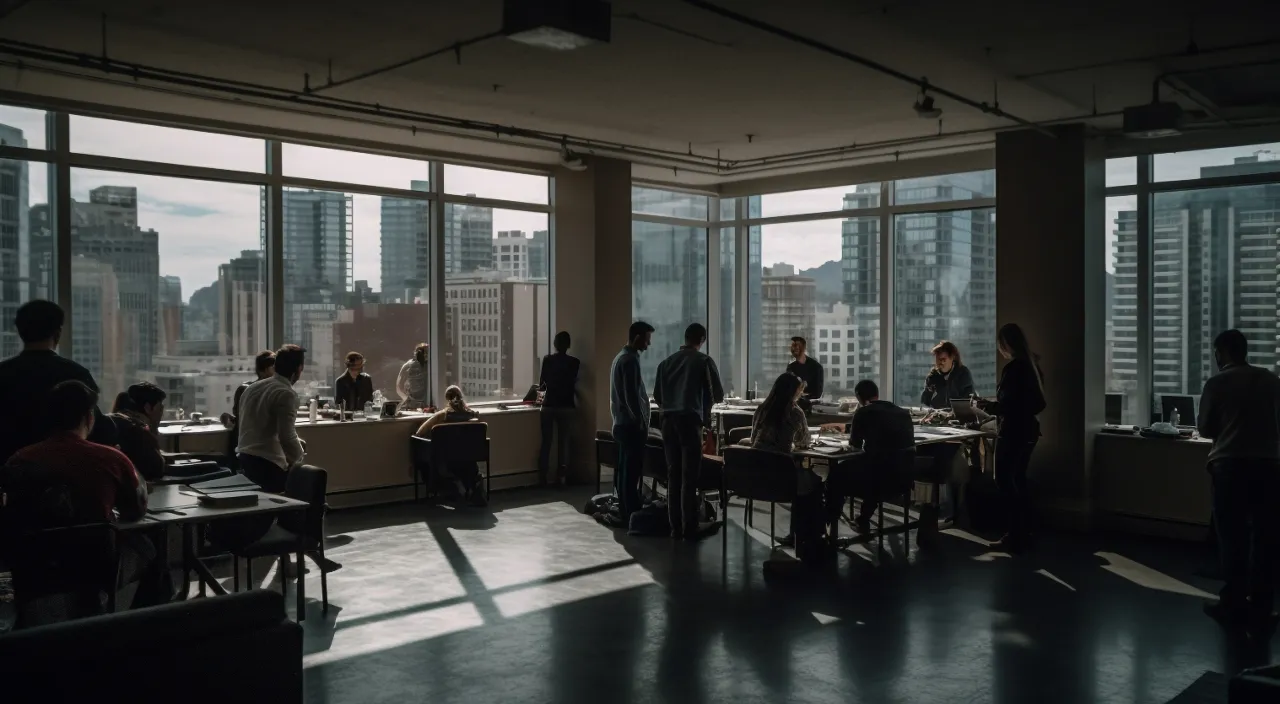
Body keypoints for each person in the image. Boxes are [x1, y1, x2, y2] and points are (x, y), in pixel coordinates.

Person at [5, 380, 154, 606]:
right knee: (149, 548)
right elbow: (135, 510)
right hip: (93, 567)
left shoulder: (19, 459)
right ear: (89, 417)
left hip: (33, 569)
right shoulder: (111, 458)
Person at [1197, 329, 1280, 637]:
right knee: (1265, 538)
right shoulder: (1272, 381)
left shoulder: (1217, 383)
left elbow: (1205, 428)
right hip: (1269, 467)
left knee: (1232, 537)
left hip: (1230, 466)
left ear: (1223, 352)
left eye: (1216, 353)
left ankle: (1232, 604)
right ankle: (1262, 606)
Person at [0, 300, 115, 464]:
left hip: (8, 476)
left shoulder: (3, 373)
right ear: (58, 333)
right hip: (65, 473)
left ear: (20, 331)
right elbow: (99, 430)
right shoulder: (75, 374)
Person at [975, 323, 1046, 553]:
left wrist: (990, 406)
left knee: (1004, 480)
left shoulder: (1014, 369)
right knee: (1019, 480)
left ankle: (1014, 535)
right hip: (1029, 431)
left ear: (1006, 343)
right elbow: (1036, 403)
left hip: (1013, 432)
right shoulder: (1033, 367)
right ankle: (1025, 531)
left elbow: (1009, 404)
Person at [653, 323, 725, 540]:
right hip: (690, 421)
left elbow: (657, 396)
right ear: (701, 339)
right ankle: (690, 527)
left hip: (667, 422)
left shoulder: (665, 363)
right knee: (689, 477)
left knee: (673, 475)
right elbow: (718, 394)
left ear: (685, 338)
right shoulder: (704, 361)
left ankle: (675, 528)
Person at [826, 380, 915, 533]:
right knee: (878, 465)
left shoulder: (864, 412)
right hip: (903, 478)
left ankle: (828, 524)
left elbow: (854, 447)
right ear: (877, 394)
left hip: (875, 479)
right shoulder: (902, 412)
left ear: (858, 397)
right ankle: (863, 518)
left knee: (836, 475)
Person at [749, 373, 824, 555]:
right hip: (782, 478)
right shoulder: (795, 412)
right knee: (815, 483)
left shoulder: (761, 409)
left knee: (804, 479)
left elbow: (753, 439)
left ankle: (800, 534)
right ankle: (810, 535)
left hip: (755, 476)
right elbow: (804, 441)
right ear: (794, 392)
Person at [236, 344, 307, 493]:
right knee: (306, 485)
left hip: (245, 460)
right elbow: (286, 436)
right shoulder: (286, 394)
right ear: (299, 369)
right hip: (268, 466)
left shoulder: (252, 389)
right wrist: (300, 461)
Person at [609, 321, 654, 525]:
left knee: (624, 470)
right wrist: (640, 422)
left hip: (620, 423)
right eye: (646, 339)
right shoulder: (630, 361)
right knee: (631, 472)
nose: (648, 344)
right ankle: (631, 513)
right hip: (630, 426)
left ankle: (625, 510)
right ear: (637, 338)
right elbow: (631, 397)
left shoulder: (619, 357)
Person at [414, 385, 485, 505]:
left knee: (426, 458)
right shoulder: (472, 415)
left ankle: (444, 488)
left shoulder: (443, 415)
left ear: (447, 399)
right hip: (468, 459)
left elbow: (420, 432)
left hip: (447, 460)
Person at [220, 349, 275, 468]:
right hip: (251, 448)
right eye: (273, 368)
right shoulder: (248, 390)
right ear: (264, 370)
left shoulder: (271, 391)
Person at [538, 331, 580, 485]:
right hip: (566, 405)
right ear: (568, 345)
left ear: (554, 344)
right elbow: (572, 383)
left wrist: (538, 401)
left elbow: (542, 383)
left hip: (549, 405)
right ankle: (561, 477)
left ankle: (543, 475)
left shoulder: (547, 360)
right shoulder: (575, 363)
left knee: (546, 441)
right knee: (564, 442)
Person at [110, 382, 167, 481]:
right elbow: (156, 469)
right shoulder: (138, 430)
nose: (161, 414)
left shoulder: (113, 420)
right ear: (148, 408)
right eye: (160, 409)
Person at [921, 340, 976, 409]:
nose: (940, 363)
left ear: (952, 358)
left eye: (943, 359)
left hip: (959, 415)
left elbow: (970, 398)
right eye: (938, 359)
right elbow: (925, 402)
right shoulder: (932, 377)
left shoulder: (963, 374)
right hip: (937, 415)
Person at [786, 336, 824, 411]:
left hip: (808, 408)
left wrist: (799, 395)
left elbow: (817, 393)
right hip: (792, 407)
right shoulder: (791, 367)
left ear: (803, 348)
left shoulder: (816, 367)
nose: (793, 349)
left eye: (796, 346)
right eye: (792, 346)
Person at [396, 343, 432, 410]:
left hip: (413, 405)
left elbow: (399, 387)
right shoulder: (431, 366)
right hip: (428, 405)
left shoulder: (408, 365)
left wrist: (407, 400)